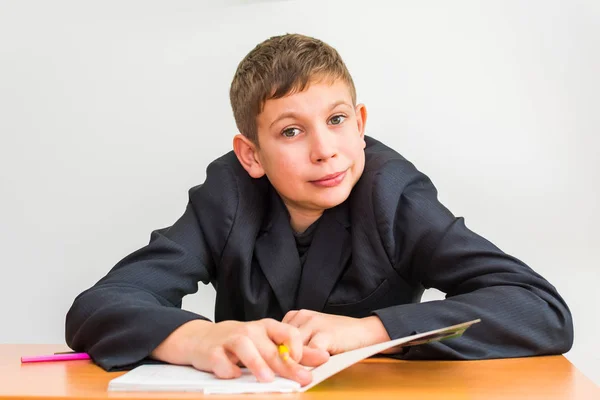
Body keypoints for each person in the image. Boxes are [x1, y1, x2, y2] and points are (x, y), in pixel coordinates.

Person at [65, 33, 573, 387]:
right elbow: (101, 305)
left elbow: (540, 310)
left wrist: (371, 331)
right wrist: (198, 338)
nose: (325, 149)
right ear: (251, 155)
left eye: (336, 120)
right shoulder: (228, 195)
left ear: (360, 124)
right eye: (291, 131)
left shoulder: (395, 195)